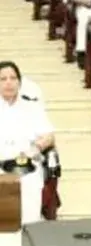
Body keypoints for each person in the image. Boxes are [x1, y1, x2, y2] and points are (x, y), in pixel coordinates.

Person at [0, 61, 55, 225]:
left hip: (24, 163)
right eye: (3, 79)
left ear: (19, 82)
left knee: (29, 180)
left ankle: (29, 227)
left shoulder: (32, 106)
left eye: (13, 78)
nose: (8, 82)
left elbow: (49, 136)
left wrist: (36, 147)